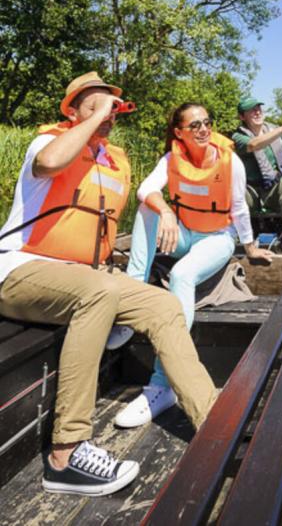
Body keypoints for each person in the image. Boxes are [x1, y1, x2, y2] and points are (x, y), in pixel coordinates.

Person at [0, 73, 217, 497]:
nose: (105, 115)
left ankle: (215, 419)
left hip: (83, 278)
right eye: (93, 106)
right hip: (19, 270)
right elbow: (51, 164)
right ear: (72, 111)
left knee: (163, 304)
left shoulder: (115, 159)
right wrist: (95, 116)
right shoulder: (48, 143)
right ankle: (67, 454)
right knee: (97, 292)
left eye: (110, 108)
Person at [110, 102, 272, 428]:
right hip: (184, 233)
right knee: (147, 209)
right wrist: (167, 212)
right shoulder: (172, 158)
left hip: (217, 238)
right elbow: (145, 190)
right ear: (179, 132)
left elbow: (239, 210)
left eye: (207, 123)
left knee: (182, 274)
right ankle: (129, 302)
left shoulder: (231, 161)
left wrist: (251, 248)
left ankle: (163, 384)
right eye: (194, 125)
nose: (203, 129)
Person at [232, 97, 282, 252]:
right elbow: (253, 144)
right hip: (251, 194)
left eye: (259, 108)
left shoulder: (274, 130)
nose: (257, 112)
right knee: (231, 190)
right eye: (252, 110)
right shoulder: (238, 137)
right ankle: (235, 241)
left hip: (273, 191)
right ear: (242, 117)